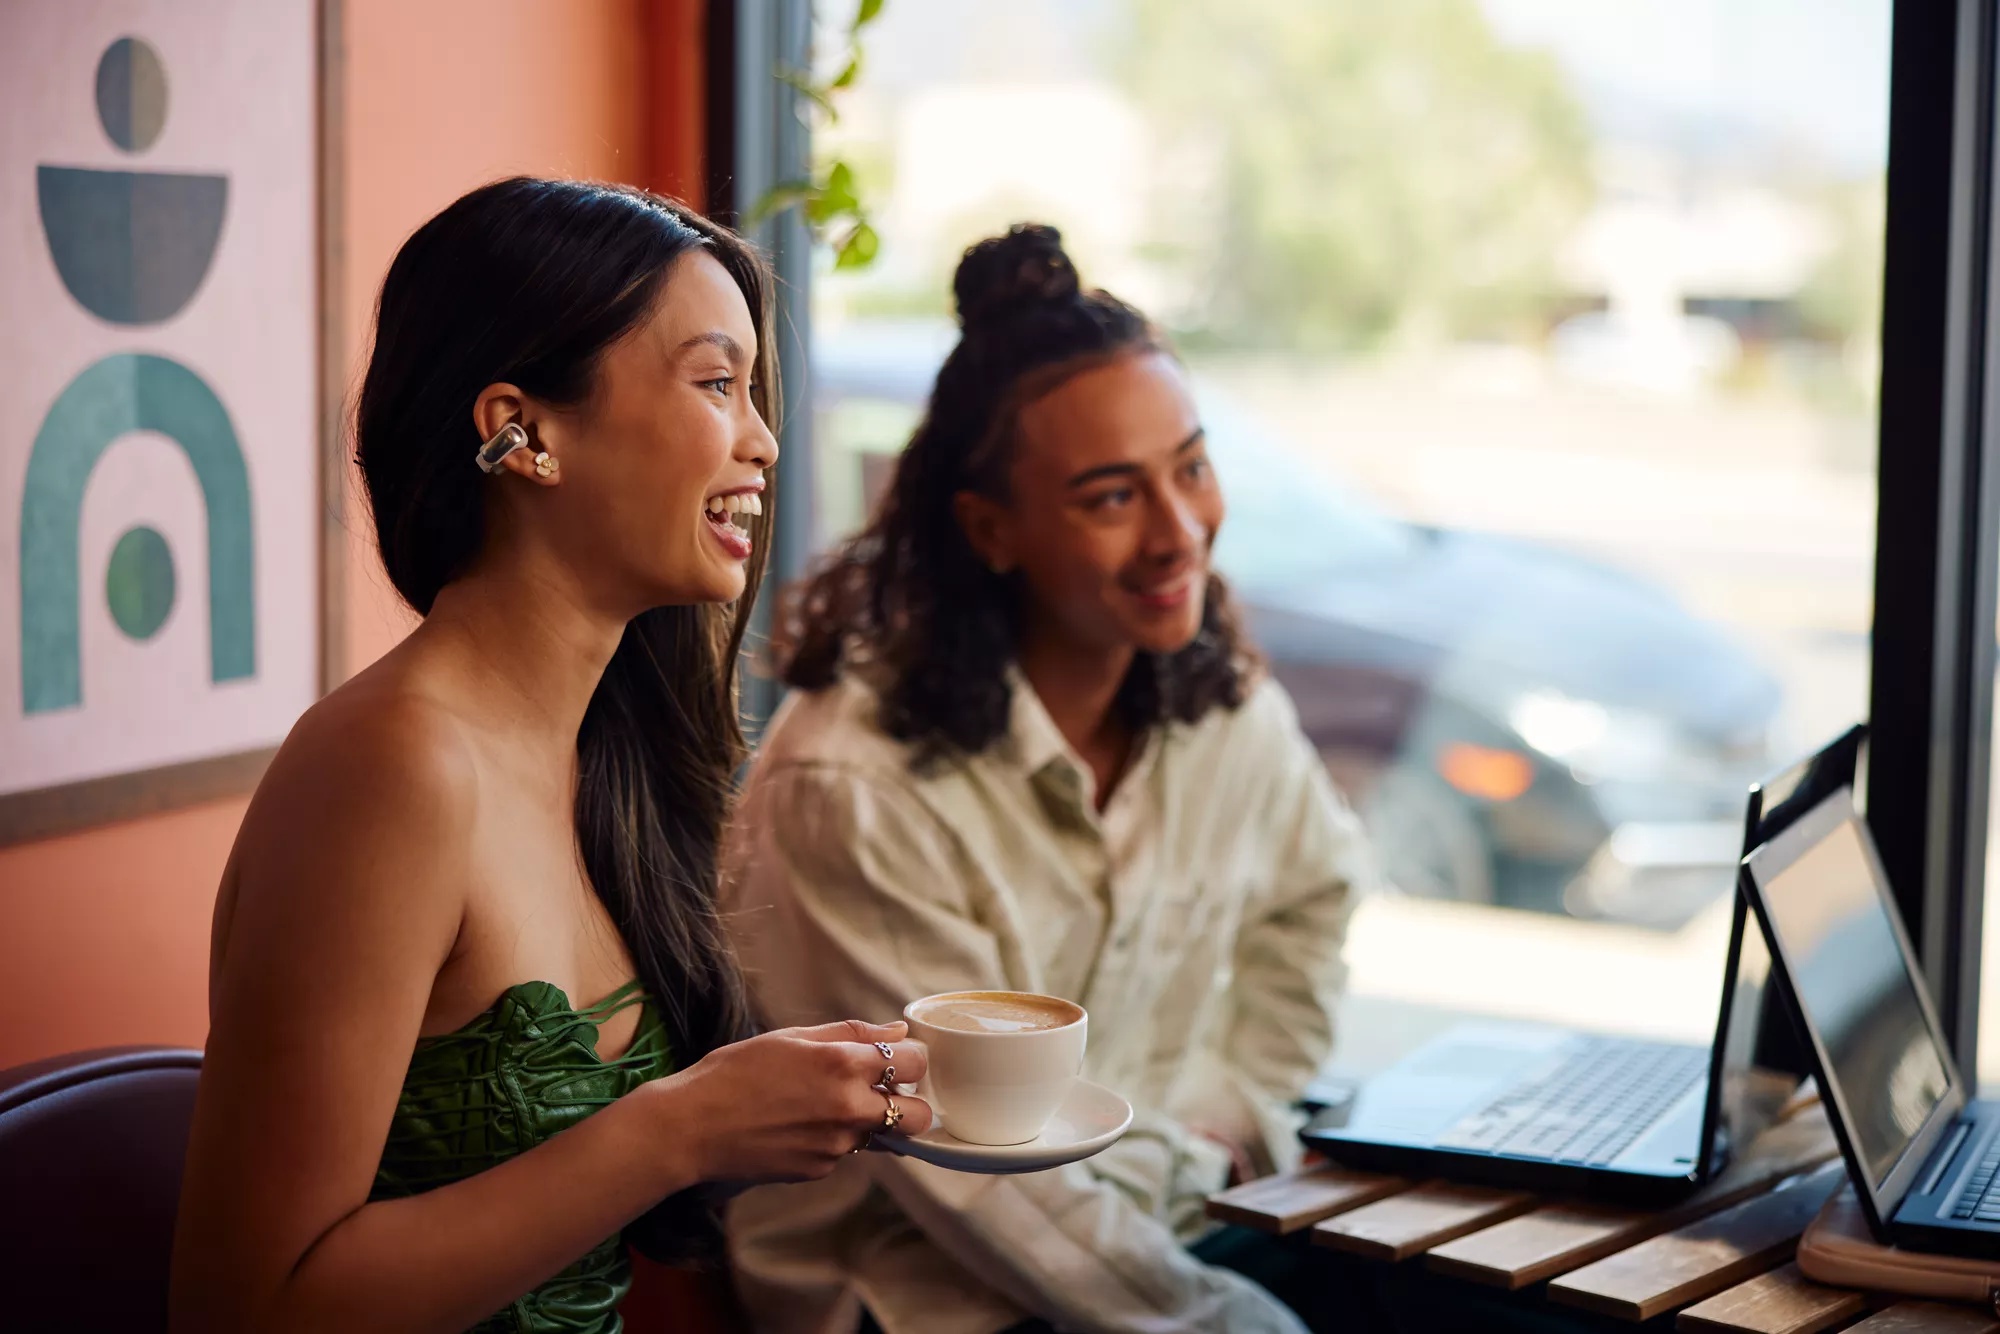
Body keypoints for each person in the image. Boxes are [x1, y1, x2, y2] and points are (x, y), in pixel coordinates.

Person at [168, 177, 932, 1334]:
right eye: (716, 384)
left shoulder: (603, 755)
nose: (764, 440)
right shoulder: (390, 767)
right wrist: (682, 1125)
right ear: (522, 432)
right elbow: (243, 1307)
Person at [722, 224, 1376, 1334]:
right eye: (1111, 497)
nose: (1179, 534)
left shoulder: (1219, 709)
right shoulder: (853, 789)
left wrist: (1234, 1108)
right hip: (930, 1301)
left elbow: (1314, 896)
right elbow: (985, 1188)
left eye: (1191, 468)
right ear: (990, 529)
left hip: (1175, 1227)